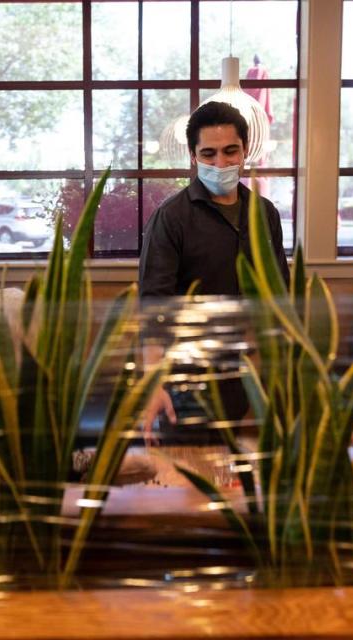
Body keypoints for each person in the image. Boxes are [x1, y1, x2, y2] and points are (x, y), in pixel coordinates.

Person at [138, 101, 290, 445]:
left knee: (241, 485)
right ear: (193, 156)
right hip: (187, 381)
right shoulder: (172, 217)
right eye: (208, 154)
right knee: (190, 482)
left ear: (245, 150)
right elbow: (153, 307)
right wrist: (152, 383)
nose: (220, 163)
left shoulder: (265, 214)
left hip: (249, 375)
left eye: (230, 151)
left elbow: (278, 296)